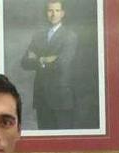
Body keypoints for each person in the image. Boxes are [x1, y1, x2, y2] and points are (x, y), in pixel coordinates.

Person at [20, 0, 77, 129]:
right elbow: (24, 62)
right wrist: (44, 60)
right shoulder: (38, 36)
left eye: (57, 11)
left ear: (62, 13)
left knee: (63, 141)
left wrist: (37, 59)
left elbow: (62, 64)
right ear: (46, 13)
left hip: (61, 98)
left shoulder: (70, 36)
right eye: (50, 10)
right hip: (41, 97)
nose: (53, 14)